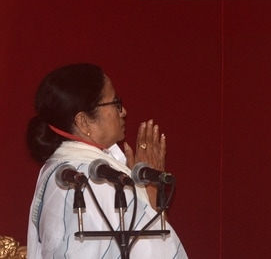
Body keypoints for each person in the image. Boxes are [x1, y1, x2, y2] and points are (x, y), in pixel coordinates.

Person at [26, 63, 188, 258]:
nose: (124, 111)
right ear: (83, 121)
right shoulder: (94, 180)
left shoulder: (58, 168)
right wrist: (150, 193)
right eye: (115, 102)